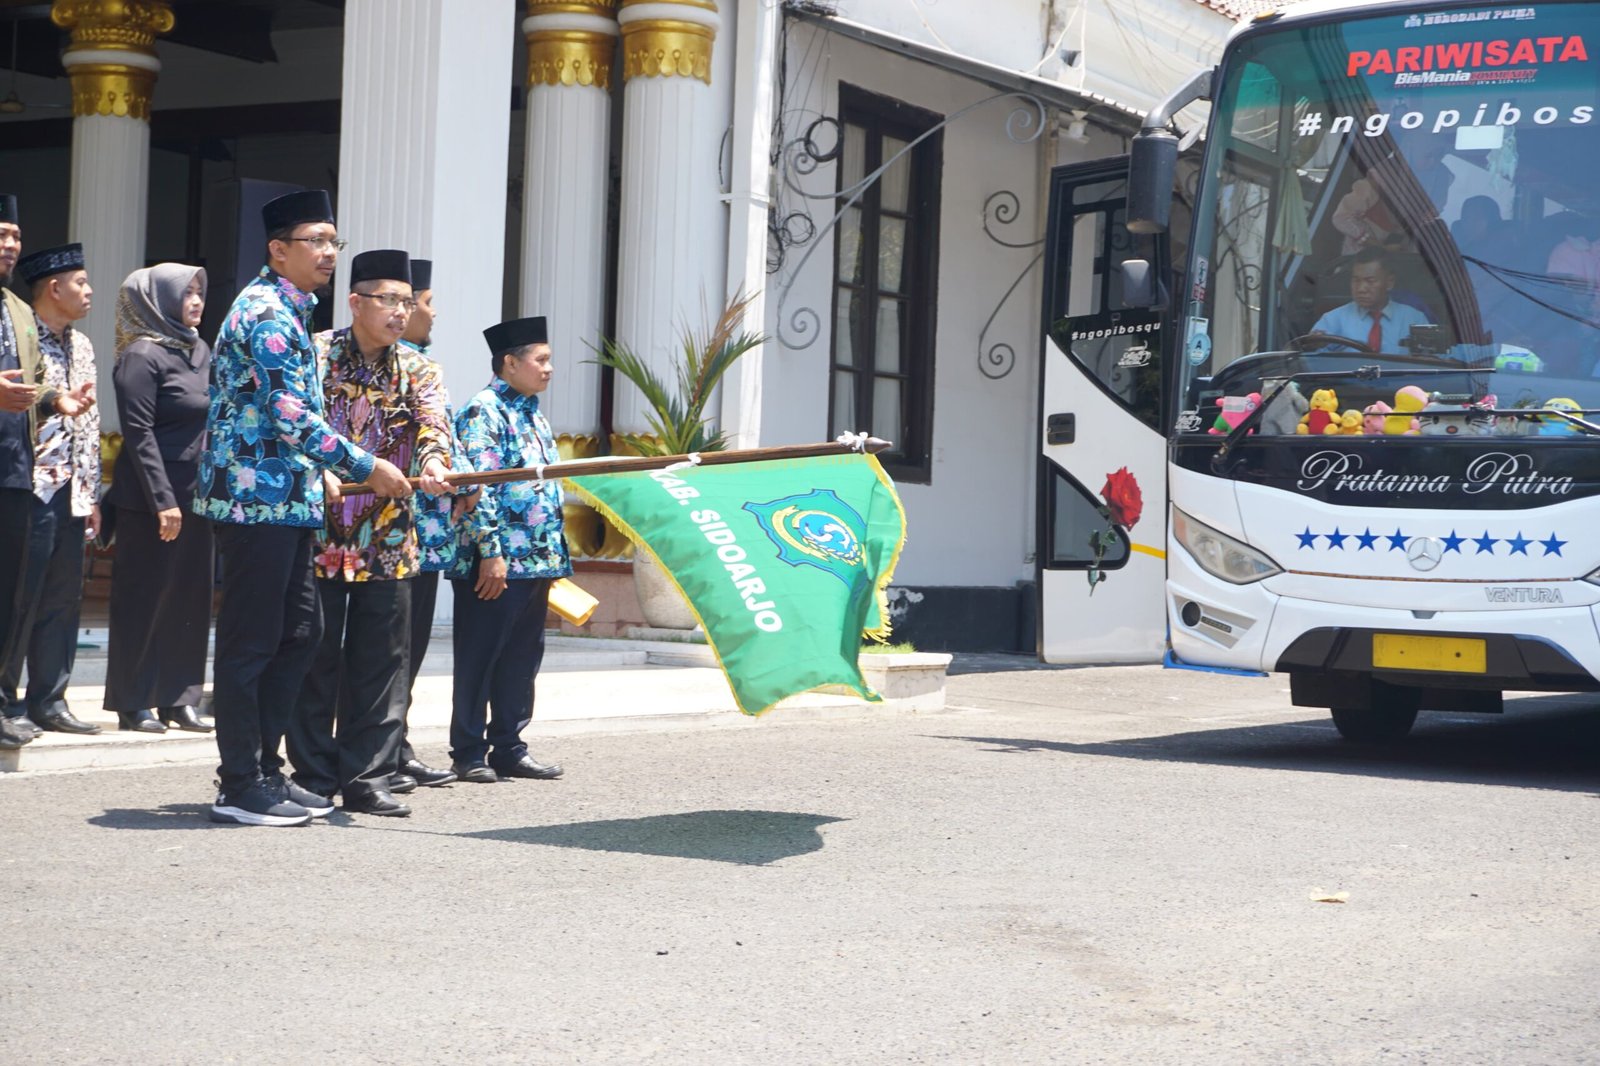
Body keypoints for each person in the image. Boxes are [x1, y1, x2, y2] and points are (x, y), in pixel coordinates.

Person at [195, 189, 412, 828]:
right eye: (315, 240)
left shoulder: (291, 310)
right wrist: (364, 465)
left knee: (300, 633)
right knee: (251, 641)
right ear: (277, 249)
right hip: (251, 502)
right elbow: (290, 414)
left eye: (331, 241)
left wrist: (327, 471)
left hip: (288, 500)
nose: (327, 253)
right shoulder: (264, 312)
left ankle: (266, 771)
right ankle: (239, 783)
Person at [287, 249, 452, 818]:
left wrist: (433, 463)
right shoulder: (315, 355)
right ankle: (310, 773)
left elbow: (434, 427)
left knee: (382, 663)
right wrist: (324, 468)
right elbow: (292, 426)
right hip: (321, 533)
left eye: (407, 302)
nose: (400, 312)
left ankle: (369, 777)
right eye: (388, 300)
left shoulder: (420, 368)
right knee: (315, 658)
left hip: (388, 537)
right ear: (355, 302)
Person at [448, 316, 570, 783]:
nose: (549, 368)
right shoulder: (484, 410)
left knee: (521, 659)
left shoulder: (531, 410)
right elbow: (478, 486)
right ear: (509, 363)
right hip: (495, 561)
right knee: (482, 656)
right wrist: (491, 552)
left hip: (535, 559)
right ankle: (468, 751)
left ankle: (509, 746)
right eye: (541, 360)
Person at [103, 264, 214, 734]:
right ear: (158, 300)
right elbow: (139, 433)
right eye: (185, 293)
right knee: (143, 597)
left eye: (199, 293)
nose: (196, 301)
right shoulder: (141, 356)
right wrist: (162, 500)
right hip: (150, 497)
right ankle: (133, 699)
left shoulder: (199, 350)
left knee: (190, 598)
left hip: (198, 494)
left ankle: (179, 697)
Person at [1, 243, 102, 737]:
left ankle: (50, 699)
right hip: (30, 484)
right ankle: (8, 699)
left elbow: (93, 419)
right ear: (54, 288)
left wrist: (93, 491)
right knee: (20, 594)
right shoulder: (20, 339)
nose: (88, 292)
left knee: (64, 597)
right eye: (80, 283)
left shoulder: (81, 345)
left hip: (71, 490)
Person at [395, 257, 460, 790]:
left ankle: (396, 743)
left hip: (428, 535)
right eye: (429, 302)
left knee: (409, 649)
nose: (433, 314)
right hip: (388, 532)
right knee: (387, 648)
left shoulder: (426, 366)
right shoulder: (394, 366)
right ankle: (381, 745)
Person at [0, 193, 52, 751]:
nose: (11, 244)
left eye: (15, 234)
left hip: (13, 468)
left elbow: (33, 379)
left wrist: (57, 398)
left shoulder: (16, 308)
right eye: (1, 233)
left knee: (8, 592)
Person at [1311, 247, 1428, 353]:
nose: (1361, 289)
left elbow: (1436, 362)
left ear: (1389, 282)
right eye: (1356, 280)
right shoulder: (1333, 320)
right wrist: (1314, 345)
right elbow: (1311, 363)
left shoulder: (1414, 319)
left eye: (1370, 281)